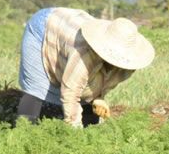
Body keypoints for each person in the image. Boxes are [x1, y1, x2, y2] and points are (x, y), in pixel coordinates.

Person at [16, 8, 156, 127]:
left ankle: (89, 131)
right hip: (45, 27)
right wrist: (74, 133)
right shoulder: (84, 51)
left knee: (87, 103)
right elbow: (71, 92)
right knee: (36, 91)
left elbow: (101, 82)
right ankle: (23, 133)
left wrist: (99, 99)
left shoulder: (127, 66)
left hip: (70, 24)